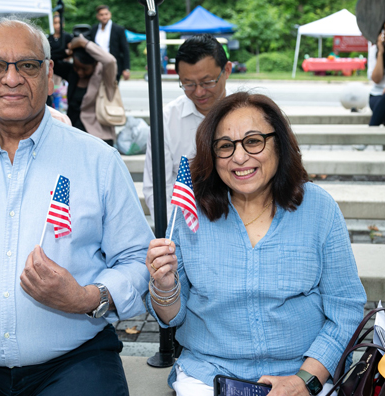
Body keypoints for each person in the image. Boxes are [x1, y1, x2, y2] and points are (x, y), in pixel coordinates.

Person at [0, 17, 152, 396]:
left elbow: (137, 260)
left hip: (75, 361)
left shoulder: (99, 160)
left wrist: (86, 298)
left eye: (28, 65)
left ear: (49, 76)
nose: (12, 78)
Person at [145, 91, 367, 396]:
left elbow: (346, 308)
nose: (239, 157)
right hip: (210, 374)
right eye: (225, 146)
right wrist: (165, 286)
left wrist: (306, 379)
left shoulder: (319, 208)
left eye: (253, 141)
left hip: (303, 370)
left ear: (279, 143)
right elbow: (172, 317)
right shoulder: (189, 214)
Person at [143, 34, 232, 221]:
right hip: (188, 225)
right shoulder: (166, 121)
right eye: (188, 84)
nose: (199, 92)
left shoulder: (249, 113)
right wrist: (176, 232)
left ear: (227, 70)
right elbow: (157, 189)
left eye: (207, 82)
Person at [53, 34, 118, 146]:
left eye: (85, 69)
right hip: (74, 135)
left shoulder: (104, 76)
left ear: (95, 63)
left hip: (99, 137)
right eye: (76, 67)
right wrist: (68, 51)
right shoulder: (72, 73)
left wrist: (84, 43)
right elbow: (49, 60)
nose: (80, 72)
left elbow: (110, 61)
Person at [90, 5, 130, 82]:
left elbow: (125, 49)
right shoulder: (94, 29)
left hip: (113, 64)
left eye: (106, 14)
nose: (104, 17)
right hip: (96, 65)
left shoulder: (118, 29)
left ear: (110, 14)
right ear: (97, 16)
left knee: (111, 90)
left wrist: (126, 69)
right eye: (101, 15)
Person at [368, 24, 385, 126]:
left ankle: (371, 129)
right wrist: (380, 53)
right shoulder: (374, 50)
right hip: (377, 95)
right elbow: (376, 79)